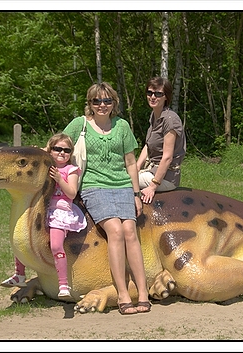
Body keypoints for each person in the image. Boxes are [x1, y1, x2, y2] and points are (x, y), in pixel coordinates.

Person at [63, 82, 151, 315]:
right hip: (94, 186)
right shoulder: (79, 124)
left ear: (114, 103)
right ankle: (122, 293)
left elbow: (131, 163)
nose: (102, 105)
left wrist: (136, 194)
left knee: (130, 231)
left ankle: (143, 292)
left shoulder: (122, 126)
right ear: (89, 104)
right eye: (96, 101)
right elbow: (59, 145)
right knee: (115, 230)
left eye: (107, 101)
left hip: (122, 185)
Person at [1, 133, 87, 299]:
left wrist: (59, 179)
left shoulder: (71, 170)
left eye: (66, 150)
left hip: (60, 212)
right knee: (23, 237)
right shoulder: (46, 165)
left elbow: (71, 193)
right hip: (43, 210)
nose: (62, 153)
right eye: (57, 149)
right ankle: (19, 273)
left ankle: (63, 283)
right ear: (50, 150)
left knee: (56, 246)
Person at [136, 77, 186, 204]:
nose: (153, 97)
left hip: (166, 177)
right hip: (151, 170)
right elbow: (148, 146)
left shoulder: (170, 120)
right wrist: (136, 167)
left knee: (123, 182)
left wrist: (153, 187)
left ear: (166, 97)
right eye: (149, 93)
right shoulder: (154, 115)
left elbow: (167, 158)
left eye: (158, 94)